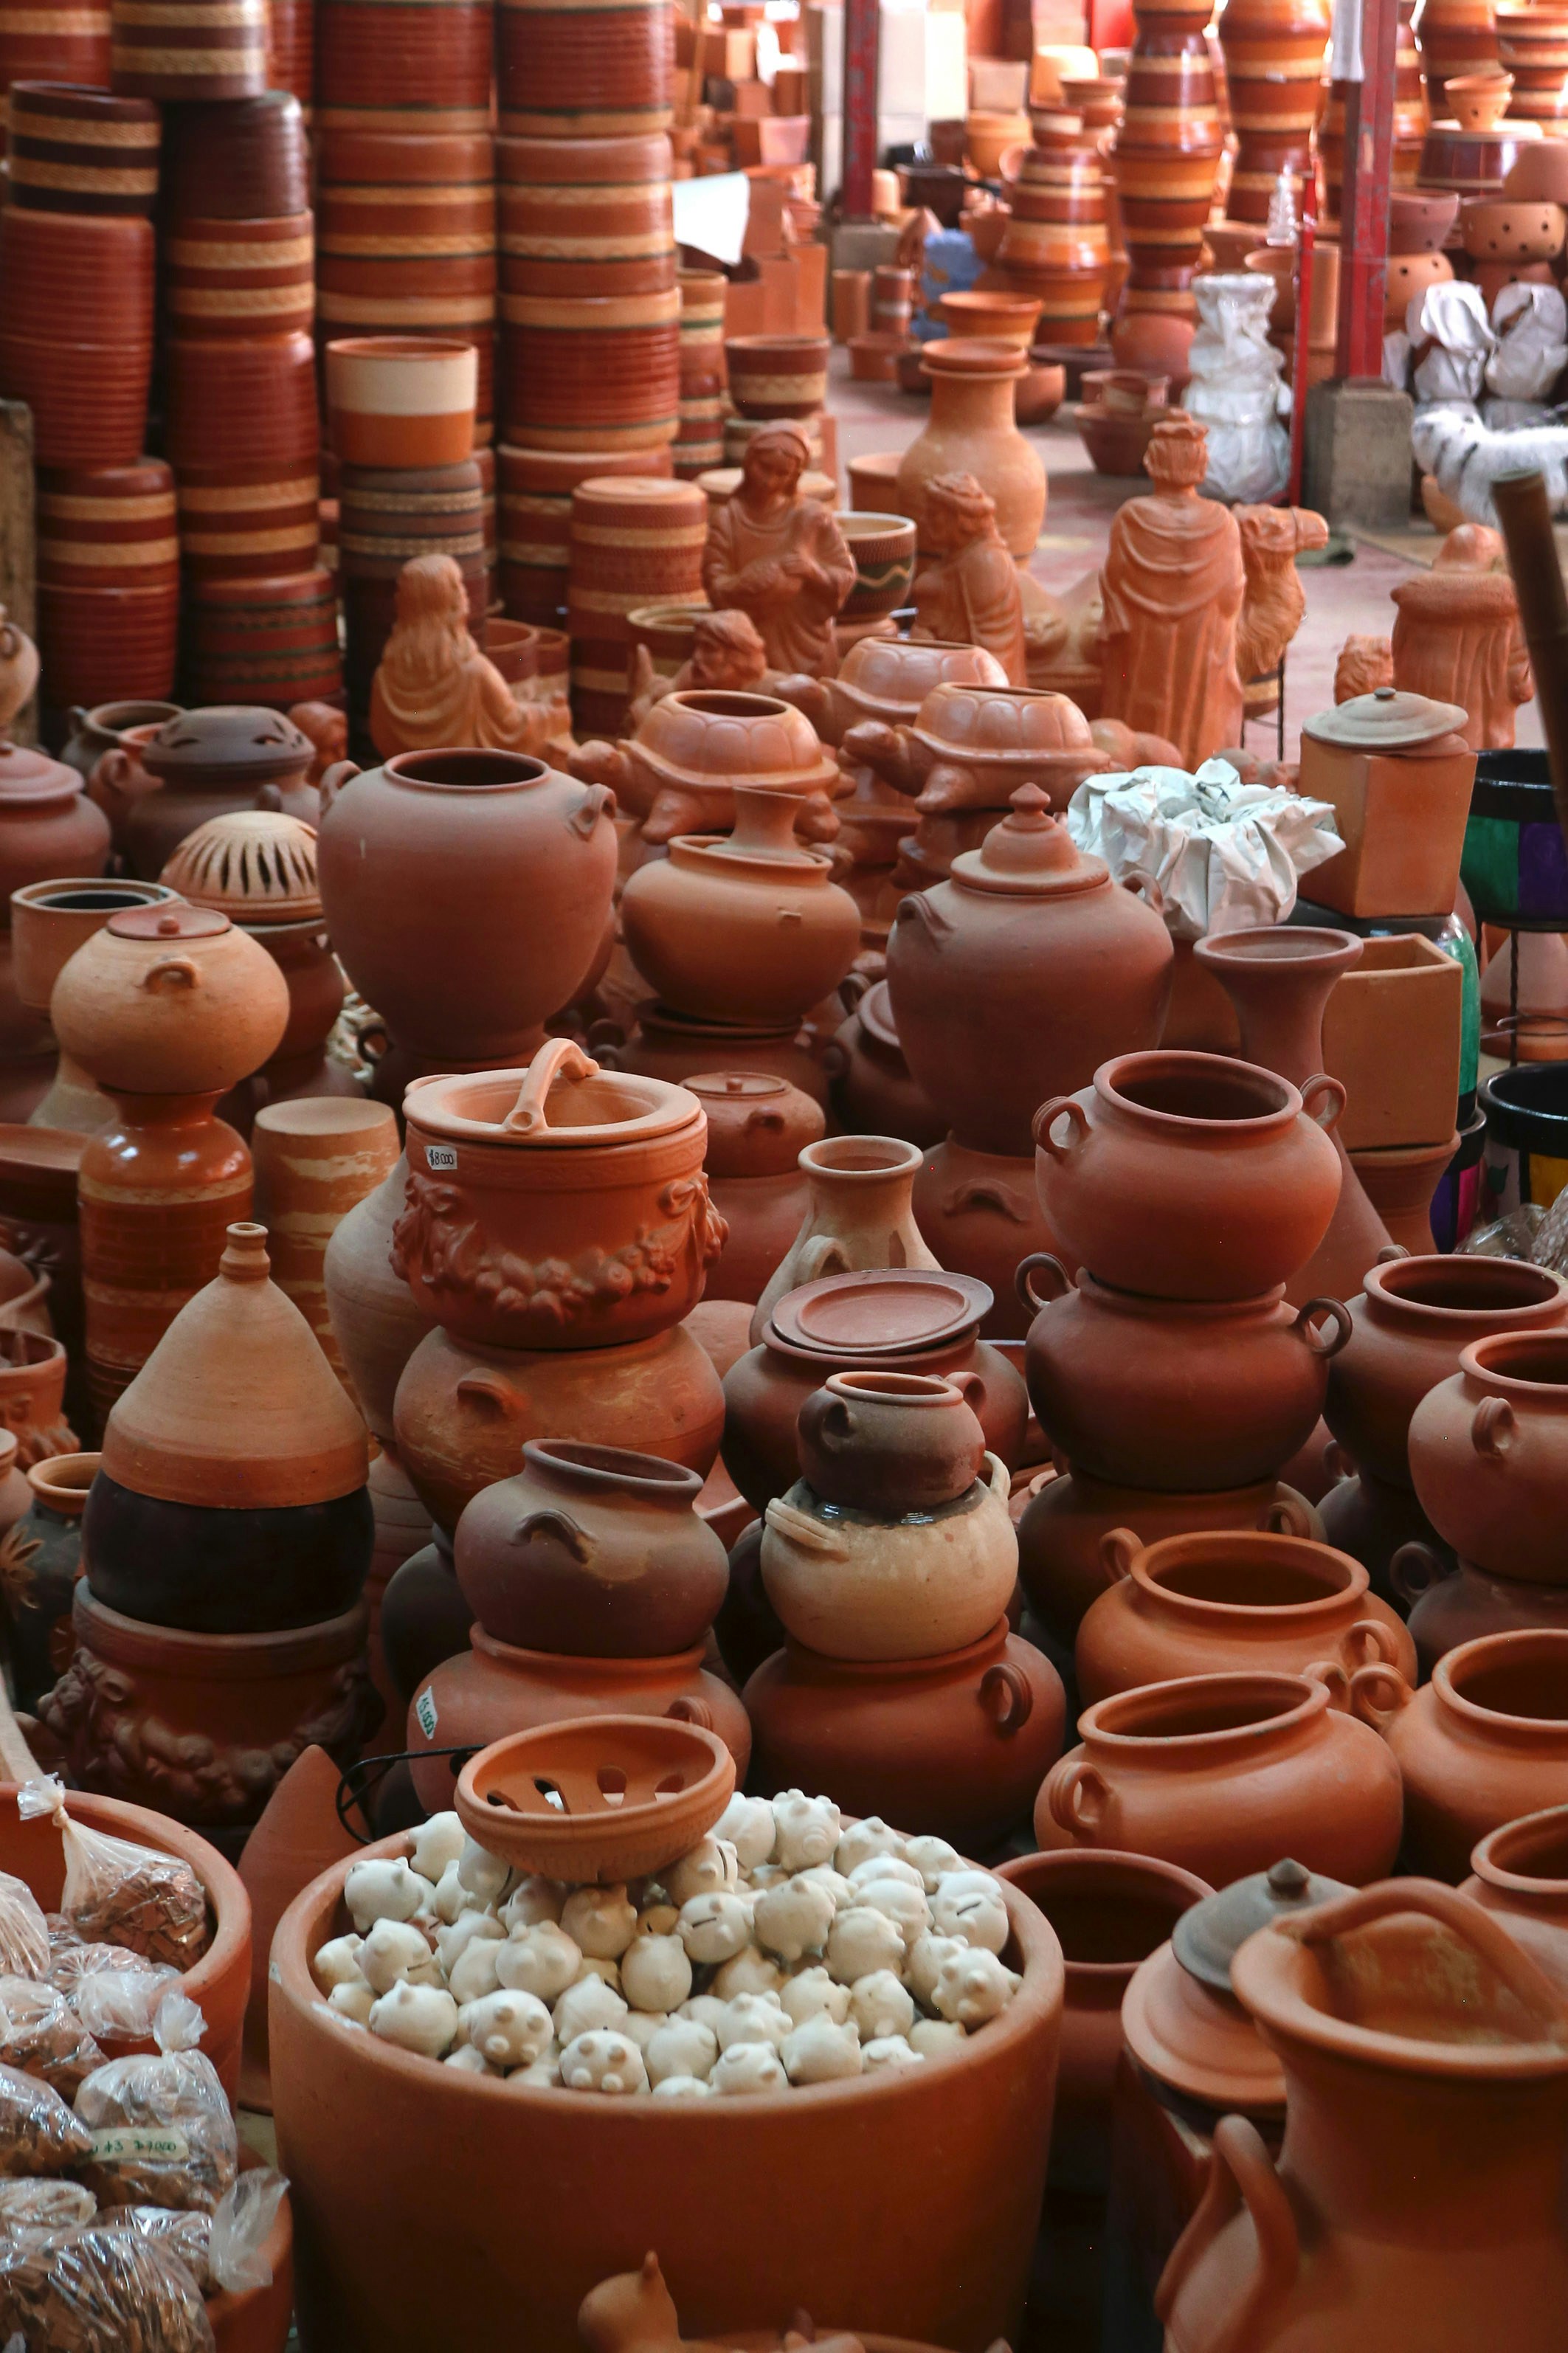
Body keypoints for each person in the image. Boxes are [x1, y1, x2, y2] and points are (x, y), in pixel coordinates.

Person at [1098, 416, 1245, 768]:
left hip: (1142, 650)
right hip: (1202, 649)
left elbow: (1114, 582)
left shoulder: (1131, 518)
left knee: (1137, 724)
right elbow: (1230, 596)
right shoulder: (1221, 521)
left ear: (1152, 462)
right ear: (1201, 465)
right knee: (1201, 725)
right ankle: (1200, 772)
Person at [701, 423, 854, 677]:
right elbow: (715, 583)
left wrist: (813, 571)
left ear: (795, 476)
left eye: (782, 473)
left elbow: (845, 575)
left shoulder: (812, 516)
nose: (769, 480)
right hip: (747, 646)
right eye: (763, 468)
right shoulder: (728, 521)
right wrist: (744, 584)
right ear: (749, 461)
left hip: (808, 641)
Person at [368, 554, 542, 759]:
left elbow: (381, 737)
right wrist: (550, 714)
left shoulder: (384, 679)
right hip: (466, 782)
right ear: (449, 602)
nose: (464, 593)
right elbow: (514, 725)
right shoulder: (475, 673)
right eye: (458, 586)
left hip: (404, 781)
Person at [910, 472, 1027, 685]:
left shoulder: (986, 563)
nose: (924, 521)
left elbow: (990, 657)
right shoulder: (958, 555)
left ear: (960, 519)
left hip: (981, 692)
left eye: (934, 514)